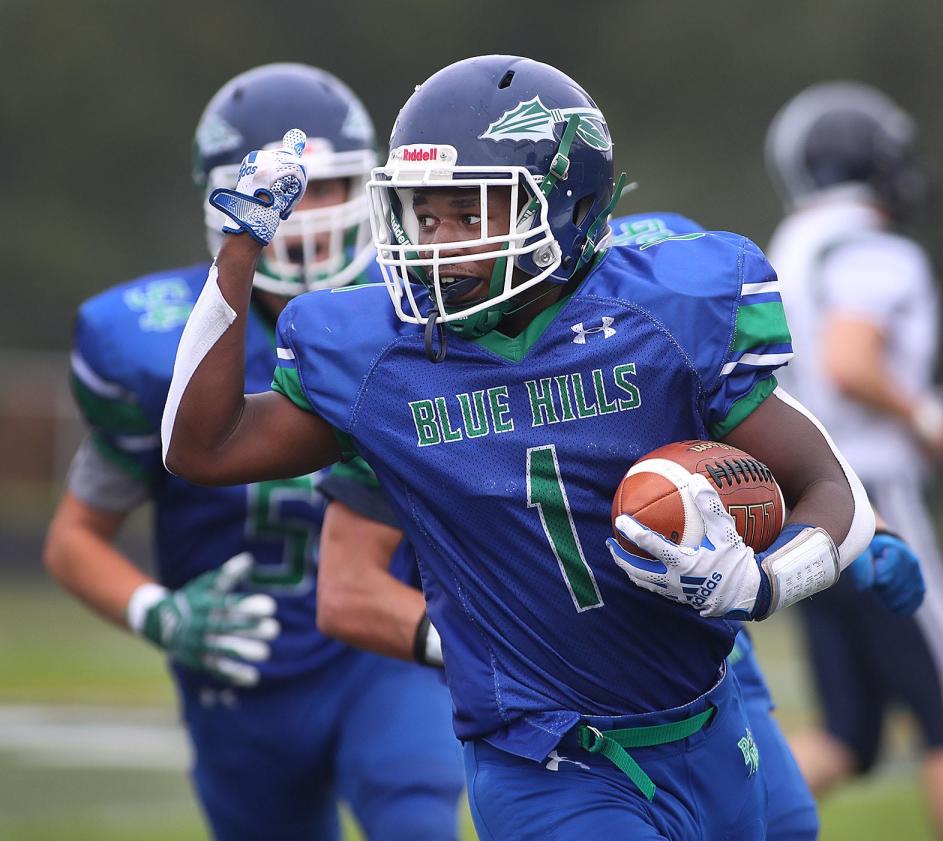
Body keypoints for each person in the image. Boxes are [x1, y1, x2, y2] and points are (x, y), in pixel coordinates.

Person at [162, 55, 876, 840]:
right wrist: (238, 254)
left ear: (568, 207)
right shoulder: (382, 358)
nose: (438, 243)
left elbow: (828, 484)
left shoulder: (665, 313)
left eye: (471, 216)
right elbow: (204, 447)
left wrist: (768, 580)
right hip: (543, 763)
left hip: (708, 727)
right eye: (425, 216)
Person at [43, 63, 463, 841]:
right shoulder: (142, 338)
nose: (299, 214)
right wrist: (159, 613)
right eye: (280, 192)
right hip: (237, 668)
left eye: (324, 186)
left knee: (415, 812)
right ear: (219, 197)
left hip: (380, 649)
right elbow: (74, 536)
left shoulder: (419, 306)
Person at [765, 80, 943, 838]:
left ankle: (697, 820)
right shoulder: (872, 247)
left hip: (802, 493)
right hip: (872, 495)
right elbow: (850, 358)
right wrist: (924, 412)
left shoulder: (791, 245)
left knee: (847, 733)